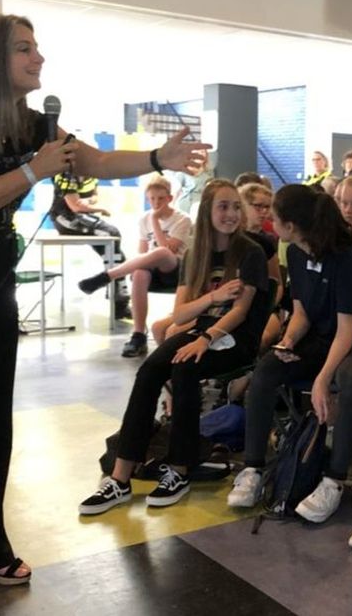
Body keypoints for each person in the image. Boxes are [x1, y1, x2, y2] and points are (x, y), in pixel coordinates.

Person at [0, 14, 210, 612]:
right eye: (25, 48)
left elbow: (95, 163)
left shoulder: (29, 123)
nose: (39, 58)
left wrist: (158, 155)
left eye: (37, 47)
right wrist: (32, 170)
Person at [77, 180, 268, 514]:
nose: (232, 214)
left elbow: (240, 311)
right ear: (207, 210)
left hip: (235, 337)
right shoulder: (196, 254)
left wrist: (206, 338)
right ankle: (120, 478)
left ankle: (179, 470)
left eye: (236, 206)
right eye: (223, 206)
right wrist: (212, 298)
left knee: (185, 368)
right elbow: (180, 313)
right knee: (149, 371)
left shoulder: (250, 252)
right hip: (200, 329)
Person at [228, 185, 352, 524]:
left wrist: (321, 380)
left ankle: (335, 479)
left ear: (292, 225)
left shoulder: (346, 260)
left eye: (275, 216)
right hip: (319, 338)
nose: (269, 219)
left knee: (351, 378)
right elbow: (301, 314)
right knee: (267, 369)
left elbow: (347, 332)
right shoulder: (295, 253)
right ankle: (253, 468)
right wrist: (287, 343)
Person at [79, 178, 193, 357]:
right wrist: (151, 220)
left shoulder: (182, 219)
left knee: (162, 253)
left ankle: (108, 276)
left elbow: (168, 249)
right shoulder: (144, 219)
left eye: (161, 199)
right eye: (152, 199)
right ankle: (138, 334)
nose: (156, 203)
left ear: (170, 198)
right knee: (140, 272)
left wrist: (155, 220)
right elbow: (143, 253)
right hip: (154, 272)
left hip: (176, 269)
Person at [50, 173, 130, 318]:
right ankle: (116, 296)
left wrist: (91, 203)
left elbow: (94, 197)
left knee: (114, 247)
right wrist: (99, 208)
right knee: (111, 236)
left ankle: (109, 289)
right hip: (64, 218)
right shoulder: (67, 173)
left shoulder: (91, 173)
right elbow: (75, 206)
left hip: (79, 216)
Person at [238, 182, 285, 350]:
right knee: (163, 328)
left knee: (262, 337)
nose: (264, 212)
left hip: (262, 305)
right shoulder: (231, 238)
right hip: (229, 304)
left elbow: (278, 284)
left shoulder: (268, 241)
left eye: (267, 207)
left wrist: (266, 307)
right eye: (258, 207)